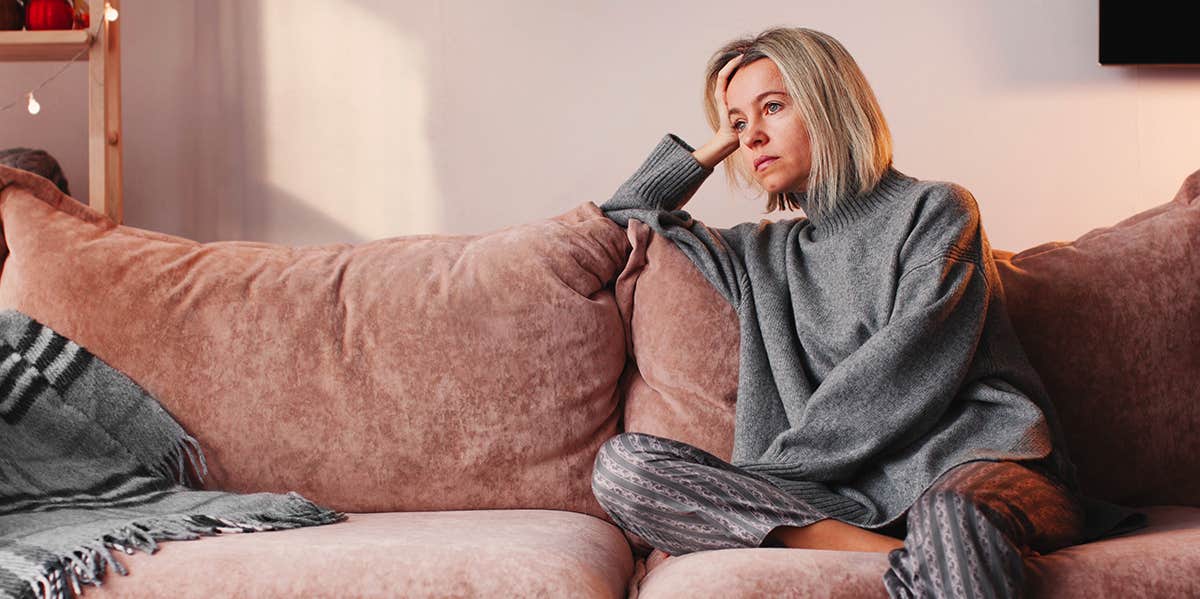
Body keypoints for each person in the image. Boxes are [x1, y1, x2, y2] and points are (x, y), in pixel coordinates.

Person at [590, 27, 1144, 598]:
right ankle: (906, 560)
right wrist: (717, 141)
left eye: (772, 107)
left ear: (830, 106)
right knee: (624, 470)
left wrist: (767, 479)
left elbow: (904, 369)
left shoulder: (937, 210)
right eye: (736, 124)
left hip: (975, 469)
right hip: (842, 499)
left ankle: (929, 551)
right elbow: (622, 215)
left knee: (952, 518)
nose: (750, 136)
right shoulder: (761, 255)